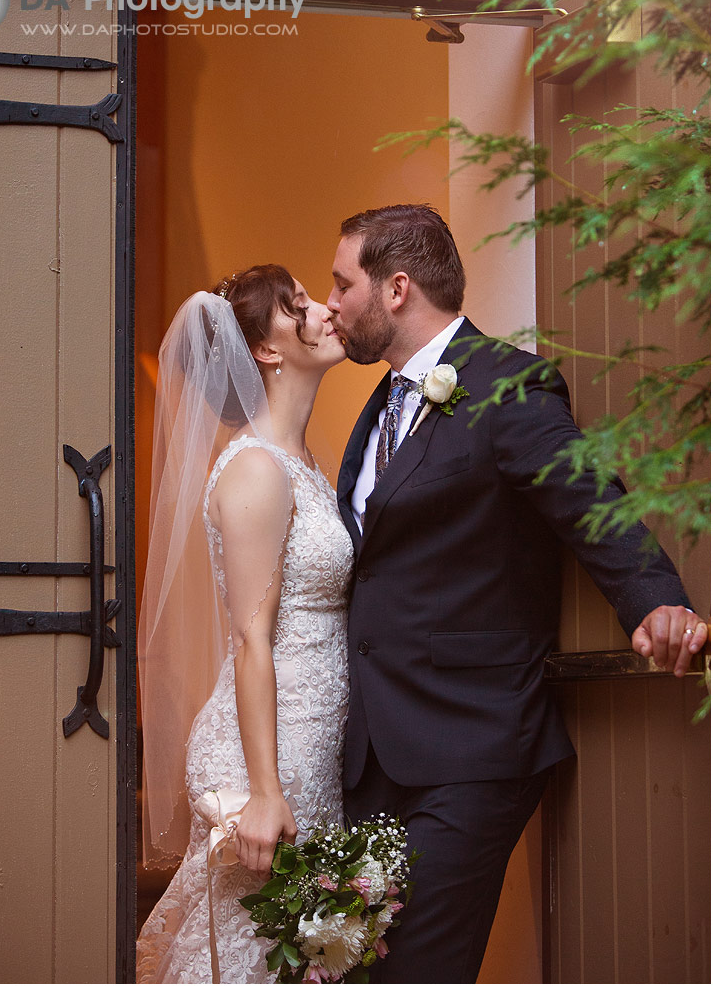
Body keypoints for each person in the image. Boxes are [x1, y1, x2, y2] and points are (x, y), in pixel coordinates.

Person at [327, 204, 706, 985]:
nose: (332, 303)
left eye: (342, 284)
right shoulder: (378, 407)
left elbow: (589, 498)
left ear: (396, 288)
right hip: (373, 753)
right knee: (357, 973)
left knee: (419, 975)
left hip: (471, 746)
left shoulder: (509, 382)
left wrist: (655, 601)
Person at [137, 266, 353, 984]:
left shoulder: (305, 462)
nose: (324, 312)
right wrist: (264, 791)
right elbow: (251, 638)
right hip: (266, 751)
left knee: (293, 958)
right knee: (248, 955)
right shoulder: (258, 468)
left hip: (308, 739)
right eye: (299, 307)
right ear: (265, 350)